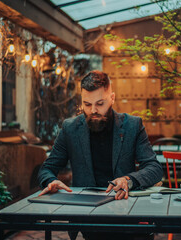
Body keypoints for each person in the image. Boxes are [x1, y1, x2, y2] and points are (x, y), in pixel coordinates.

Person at [37, 70, 163, 239]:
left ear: (112, 98)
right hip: (89, 216)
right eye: (87, 104)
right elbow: (46, 169)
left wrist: (129, 180)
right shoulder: (70, 128)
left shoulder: (132, 125)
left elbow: (154, 168)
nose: (93, 110)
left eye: (100, 103)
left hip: (127, 212)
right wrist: (51, 181)